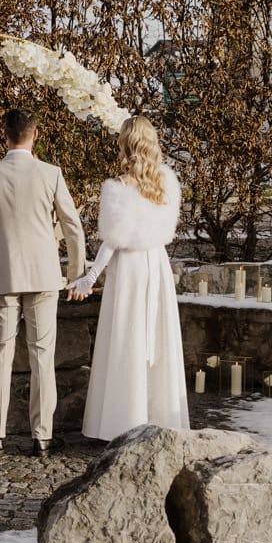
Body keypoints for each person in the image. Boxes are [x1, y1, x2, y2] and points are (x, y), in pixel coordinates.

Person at [0, 108, 87, 457]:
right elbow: (73, 227)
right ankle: (42, 436)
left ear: (5, 135)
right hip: (45, 275)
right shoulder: (51, 174)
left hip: (3, 275)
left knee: (0, 353)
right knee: (42, 356)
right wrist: (76, 274)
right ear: (36, 136)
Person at [67, 115, 190, 440]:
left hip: (131, 271)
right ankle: (159, 417)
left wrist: (89, 276)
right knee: (155, 339)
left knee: (127, 338)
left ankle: (121, 422)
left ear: (125, 144)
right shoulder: (167, 182)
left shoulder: (117, 187)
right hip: (157, 265)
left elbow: (113, 240)